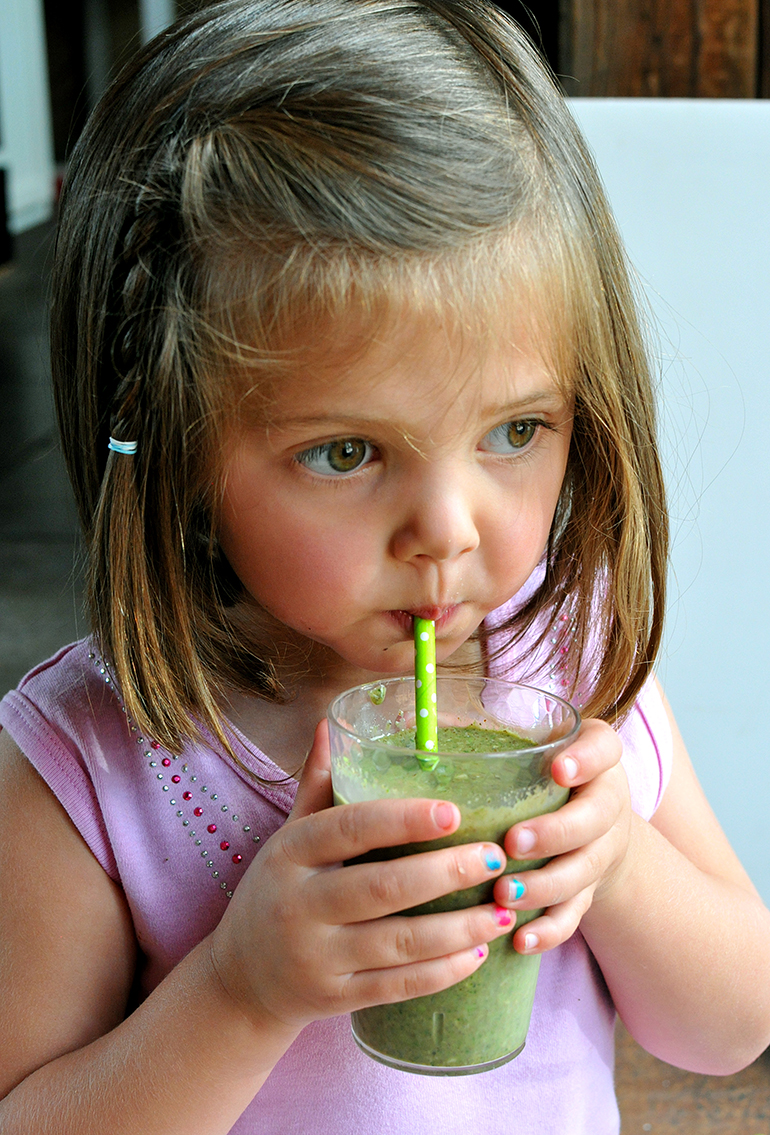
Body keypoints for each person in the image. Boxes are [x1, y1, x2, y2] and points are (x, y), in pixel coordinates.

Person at [1, 2, 768, 1132]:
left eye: (514, 430)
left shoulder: (578, 660)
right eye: (346, 453)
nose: (449, 531)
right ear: (171, 448)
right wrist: (240, 987)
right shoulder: (90, 770)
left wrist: (614, 865)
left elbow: (729, 1023)